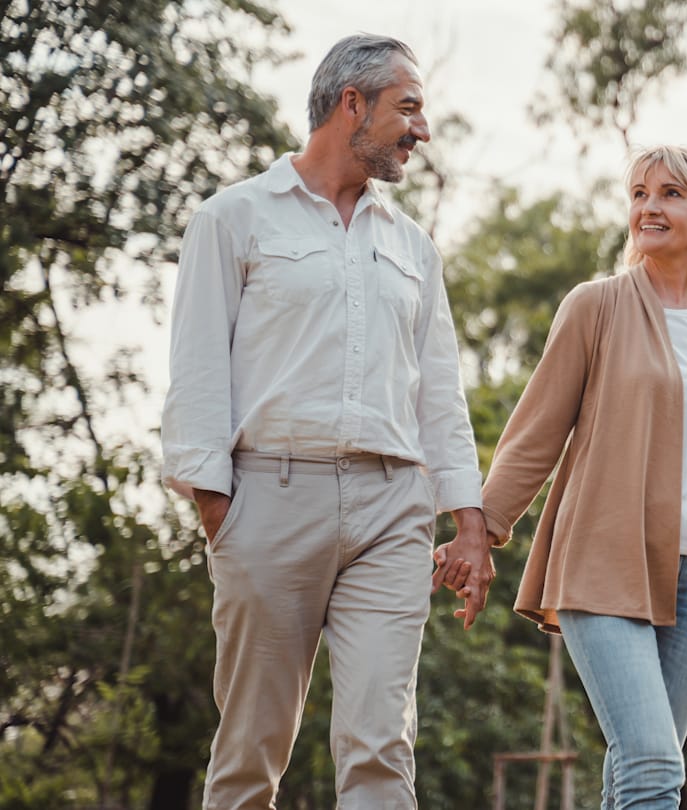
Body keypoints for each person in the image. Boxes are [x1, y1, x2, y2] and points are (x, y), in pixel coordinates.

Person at [161, 34, 494, 809]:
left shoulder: (414, 247)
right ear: (353, 105)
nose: (421, 129)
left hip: (391, 513)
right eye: (407, 107)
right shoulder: (233, 218)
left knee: (381, 747)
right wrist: (221, 512)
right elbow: (199, 374)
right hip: (269, 500)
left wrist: (468, 521)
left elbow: (438, 393)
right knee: (252, 747)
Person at [435, 144, 687, 808]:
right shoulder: (595, 307)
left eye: (670, 194)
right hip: (604, 560)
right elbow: (535, 434)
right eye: (640, 193)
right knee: (654, 764)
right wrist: (481, 531)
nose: (649, 206)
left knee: (634, 769)